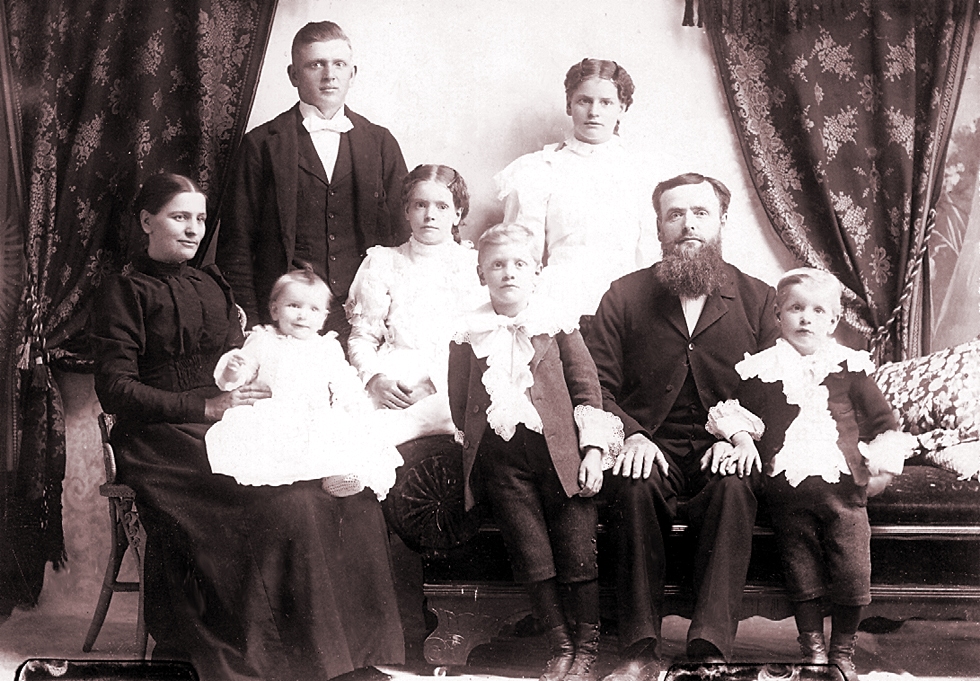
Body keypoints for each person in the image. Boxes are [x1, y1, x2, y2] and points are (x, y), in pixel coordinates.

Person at [90, 173, 404, 681]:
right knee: (289, 505)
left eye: (199, 218)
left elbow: (240, 362)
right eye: (179, 217)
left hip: (232, 422)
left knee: (352, 499)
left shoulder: (211, 283)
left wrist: (259, 395)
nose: (192, 229)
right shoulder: (123, 292)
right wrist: (205, 407)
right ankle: (287, 662)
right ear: (147, 221)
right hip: (160, 439)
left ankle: (357, 660)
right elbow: (116, 389)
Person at [585, 173, 780, 679]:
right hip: (649, 444)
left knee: (734, 486)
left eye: (700, 213)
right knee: (633, 484)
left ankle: (710, 649)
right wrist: (631, 434)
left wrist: (740, 436)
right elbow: (596, 384)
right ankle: (639, 650)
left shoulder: (757, 299)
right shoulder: (625, 295)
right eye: (675, 215)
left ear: (721, 222)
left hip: (724, 444)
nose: (688, 224)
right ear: (659, 227)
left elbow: (776, 389)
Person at [705, 268, 913, 681]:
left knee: (853, 570)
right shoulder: (762, 369)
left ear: (833, 321)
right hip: (787, 494)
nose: (806, 318)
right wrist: (739, 438)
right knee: (801, 572)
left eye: (819, 311)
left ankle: (842, 651)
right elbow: (734, 412)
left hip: (844, 492)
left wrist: (882, 467)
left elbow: (884, 423)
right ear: (777, 316)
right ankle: (813, 649)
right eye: (796, 308)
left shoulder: (849, 367)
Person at [449, 224, 623, 681]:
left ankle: (586, 650)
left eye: (519, 264)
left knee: (577, 553)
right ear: (481, 273)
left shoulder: (557, 324)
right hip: (503, 462)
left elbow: (588, 391)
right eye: (497, 265)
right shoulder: (468, 331)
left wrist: (592, 451)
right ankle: (560, 647)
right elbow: (459, 397)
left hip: (562, 460)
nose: (508, 273)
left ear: (536, 271)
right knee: (533, 556)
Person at [217, 20, 409, 345]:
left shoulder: (380, 143)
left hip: (364, 322)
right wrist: (252, 330)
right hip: (285, 322)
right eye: (316, 64)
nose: (329, 75)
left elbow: (403, 238)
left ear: (353, 73)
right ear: (294, 75)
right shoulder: (261, 145)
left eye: (339, 64)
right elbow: (236, 246)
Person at [205, 266, 402, 498]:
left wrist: (356, 409)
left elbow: (345, 382)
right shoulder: (263, 340)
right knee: (262, 442)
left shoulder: (326, 347)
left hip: (314, 415)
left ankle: (336, 475)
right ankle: (278, 476)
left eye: (313, 309)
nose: (302, 315)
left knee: (338, 434)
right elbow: (238, 377)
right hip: (274, 414)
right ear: (275, 310)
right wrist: (233, 370)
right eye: (294, 306)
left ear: (323, 318)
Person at [494, 58, 658, 330]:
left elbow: (652, 253)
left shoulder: (642, 171)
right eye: (584, 101)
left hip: (629, 308)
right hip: (561, 304)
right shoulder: (538, 168)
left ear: (622, 108)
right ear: (569, 105)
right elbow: (520, 253)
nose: (594, 112)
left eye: (606, 103)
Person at [346, 164, 485, 444]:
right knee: (350, 420)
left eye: (442, 207)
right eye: (420, 205)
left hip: (452, 381)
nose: (430, 215)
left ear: (457, 214)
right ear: (407, 211)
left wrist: (434, 385)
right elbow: (362, 337)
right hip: (393, 379)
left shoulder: (475, 266)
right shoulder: (383, 262)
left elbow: (483, 340)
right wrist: (375, 379)